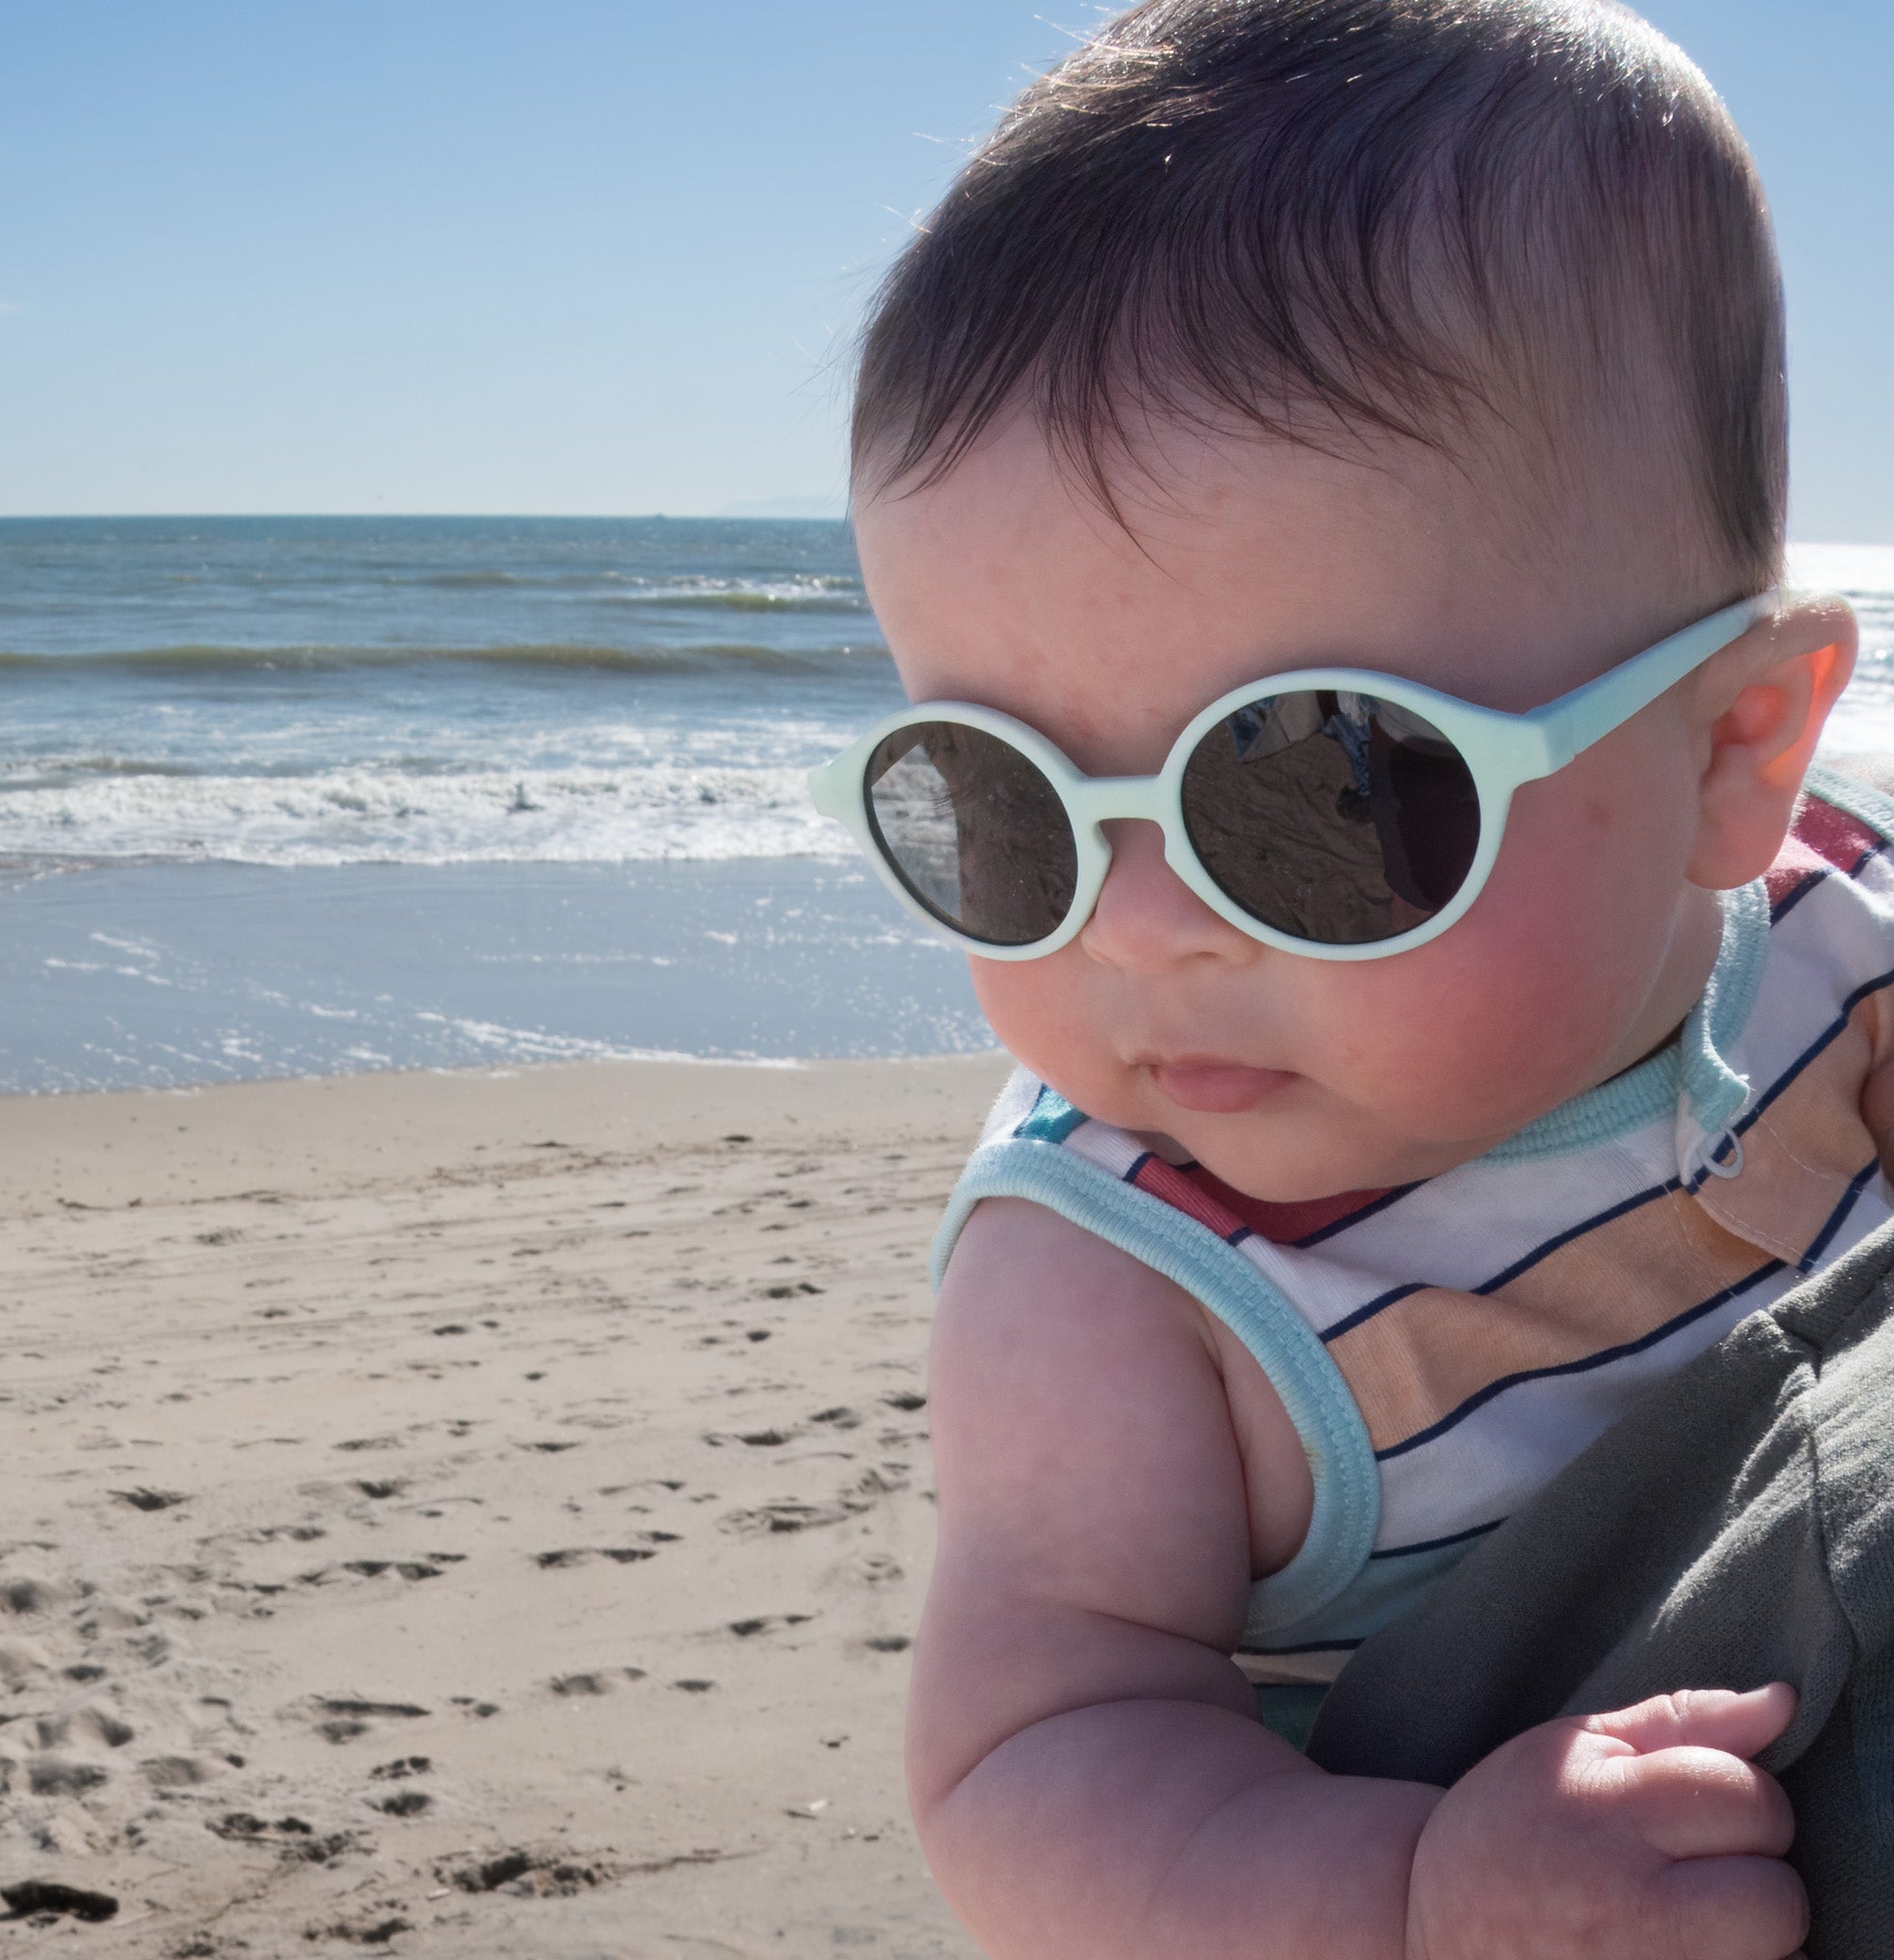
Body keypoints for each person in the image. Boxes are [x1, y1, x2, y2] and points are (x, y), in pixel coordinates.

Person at [807, 2, 1891, 1954]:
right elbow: (1036, 1750)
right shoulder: (1122, 1282)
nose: (1130, 930)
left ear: (1731, 750)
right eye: (1003, 803)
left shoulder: (1846, 922)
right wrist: (1401, 1888)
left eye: (1308, 784)